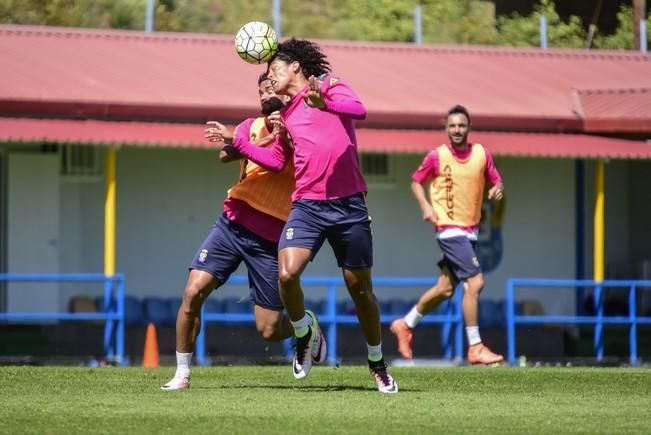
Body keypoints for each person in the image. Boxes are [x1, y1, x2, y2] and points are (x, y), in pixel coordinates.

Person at [221, 38, 397, 393]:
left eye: (275, 70)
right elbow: (276, 161)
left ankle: (377, 363)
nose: (271, 78)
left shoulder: (329, 86)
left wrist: (326, 103)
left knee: (359, 289)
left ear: (296, 68)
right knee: (287, 275)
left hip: (349, 206)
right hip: (307, 206)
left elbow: (359, 110)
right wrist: (239, 143)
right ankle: (303, 333)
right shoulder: (284, 116)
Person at [161, 73, 326, 390]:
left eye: (270, 88)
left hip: (270, 237)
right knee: (193, 292)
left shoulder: (300, 124)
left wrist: (274, 135)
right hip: (231, 223)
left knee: (268, 329)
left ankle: (306, 325)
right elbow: (226, 154)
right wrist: (247, 139)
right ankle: (181, 373)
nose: (266, 94)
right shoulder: (250, 125)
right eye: (260, 91)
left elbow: (279, 161)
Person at [390, 104, 505, 365]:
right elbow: (415, 181)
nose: (457, 130)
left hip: (470, 231)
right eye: (452, 125)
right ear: (446, 128)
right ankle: (475, 346)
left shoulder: (481, 154)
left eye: (461, 125)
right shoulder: (437, 156)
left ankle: (405, 324)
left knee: (445, 289)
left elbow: (496, 179)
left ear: (469, 128)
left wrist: (497, 188)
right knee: (475, 284)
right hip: (450, 230)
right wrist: (426, 206)